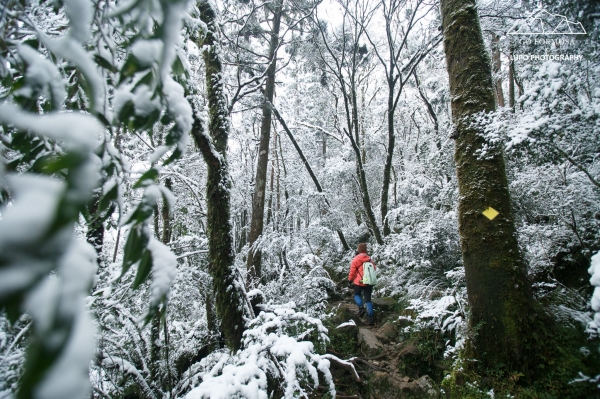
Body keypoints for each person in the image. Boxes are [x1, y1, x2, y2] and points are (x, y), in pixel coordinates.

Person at [348, 243, 376, 325]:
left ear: (358, 250)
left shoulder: (356, 259)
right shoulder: (369, 259)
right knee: (368, 300)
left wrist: (350, 280)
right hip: (369, 282)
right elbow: (374, 268)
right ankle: (370, 318)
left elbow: (352, 271)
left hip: (358, 282)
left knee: (357, 295)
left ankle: (361, 308)